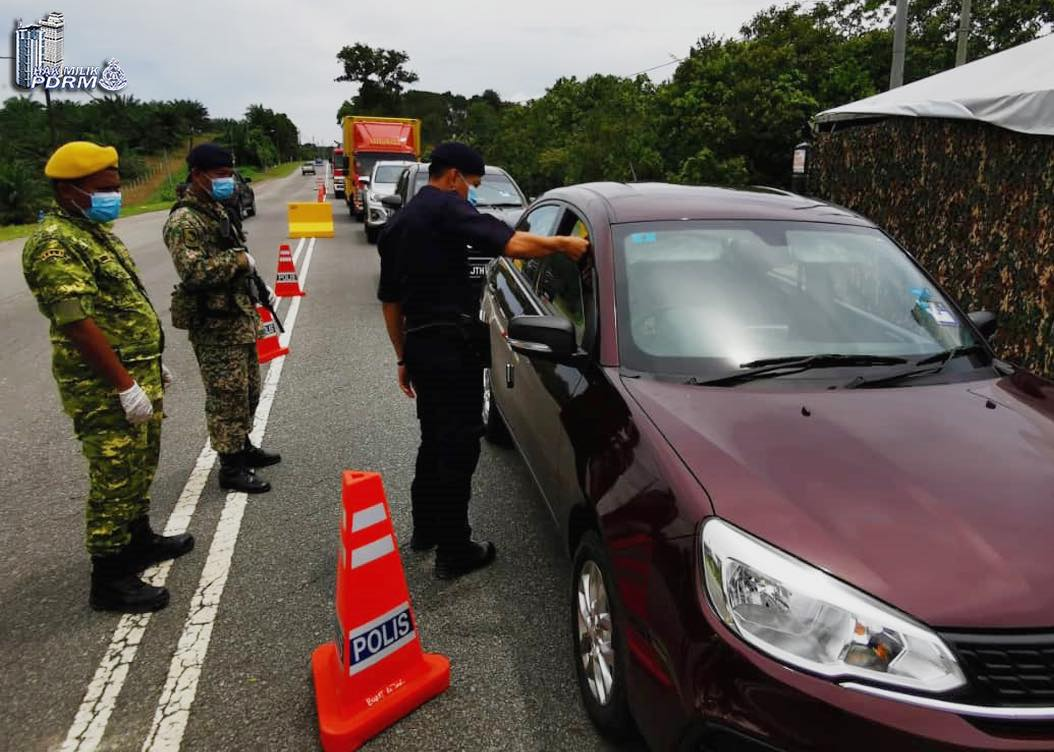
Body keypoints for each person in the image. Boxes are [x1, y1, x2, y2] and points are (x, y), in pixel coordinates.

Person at [378, 142, 588, 580]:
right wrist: (562, 244)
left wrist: (403, 355)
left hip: (419, 344)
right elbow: (512, 243)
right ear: (453, 176)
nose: (471, 193)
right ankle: (455, 548)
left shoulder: (399, 223)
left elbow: (391, 302)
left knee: (433, 438)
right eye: (472, 184)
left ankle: (426, 530)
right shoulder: (447, 208)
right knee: (459, 445)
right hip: (452, 348)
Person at [22, 141, 193, 613]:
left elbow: (120, 307)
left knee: (140, 467)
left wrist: (149, 364)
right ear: (68, 190)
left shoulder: (96, 233)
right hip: (102, 386)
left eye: (115, 187)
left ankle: (138, 541)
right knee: (115, 476)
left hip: (136, 372)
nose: (113, 197)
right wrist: (123, 383)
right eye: (104, 189)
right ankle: (110, 577)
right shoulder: (54, 242)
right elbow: (76, 322)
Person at [163, 144, 280, 494]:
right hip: (214, 323)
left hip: (236, 315)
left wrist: (256, 284)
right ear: (197, 175)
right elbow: (193, 272)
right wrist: (240, 263)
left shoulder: (215, 210)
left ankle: (242, 446)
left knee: (249, 391)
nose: (228, 181)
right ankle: (230, 467)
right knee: (226, 395)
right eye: (220, 175)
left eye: (230, 174)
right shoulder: (185, 220)